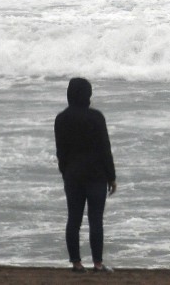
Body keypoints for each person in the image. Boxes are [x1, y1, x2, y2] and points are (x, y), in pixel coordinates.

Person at [54, 77, 117, 273]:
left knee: (73, 219)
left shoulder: (61, 119)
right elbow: (105, 149)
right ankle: (98, 264)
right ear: (88, 95)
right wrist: (111, 176)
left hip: (73, 175)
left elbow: (61, 152)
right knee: (95, 219)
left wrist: (65, 172)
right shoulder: (96, 117)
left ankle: (76, 263)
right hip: (96, 175)